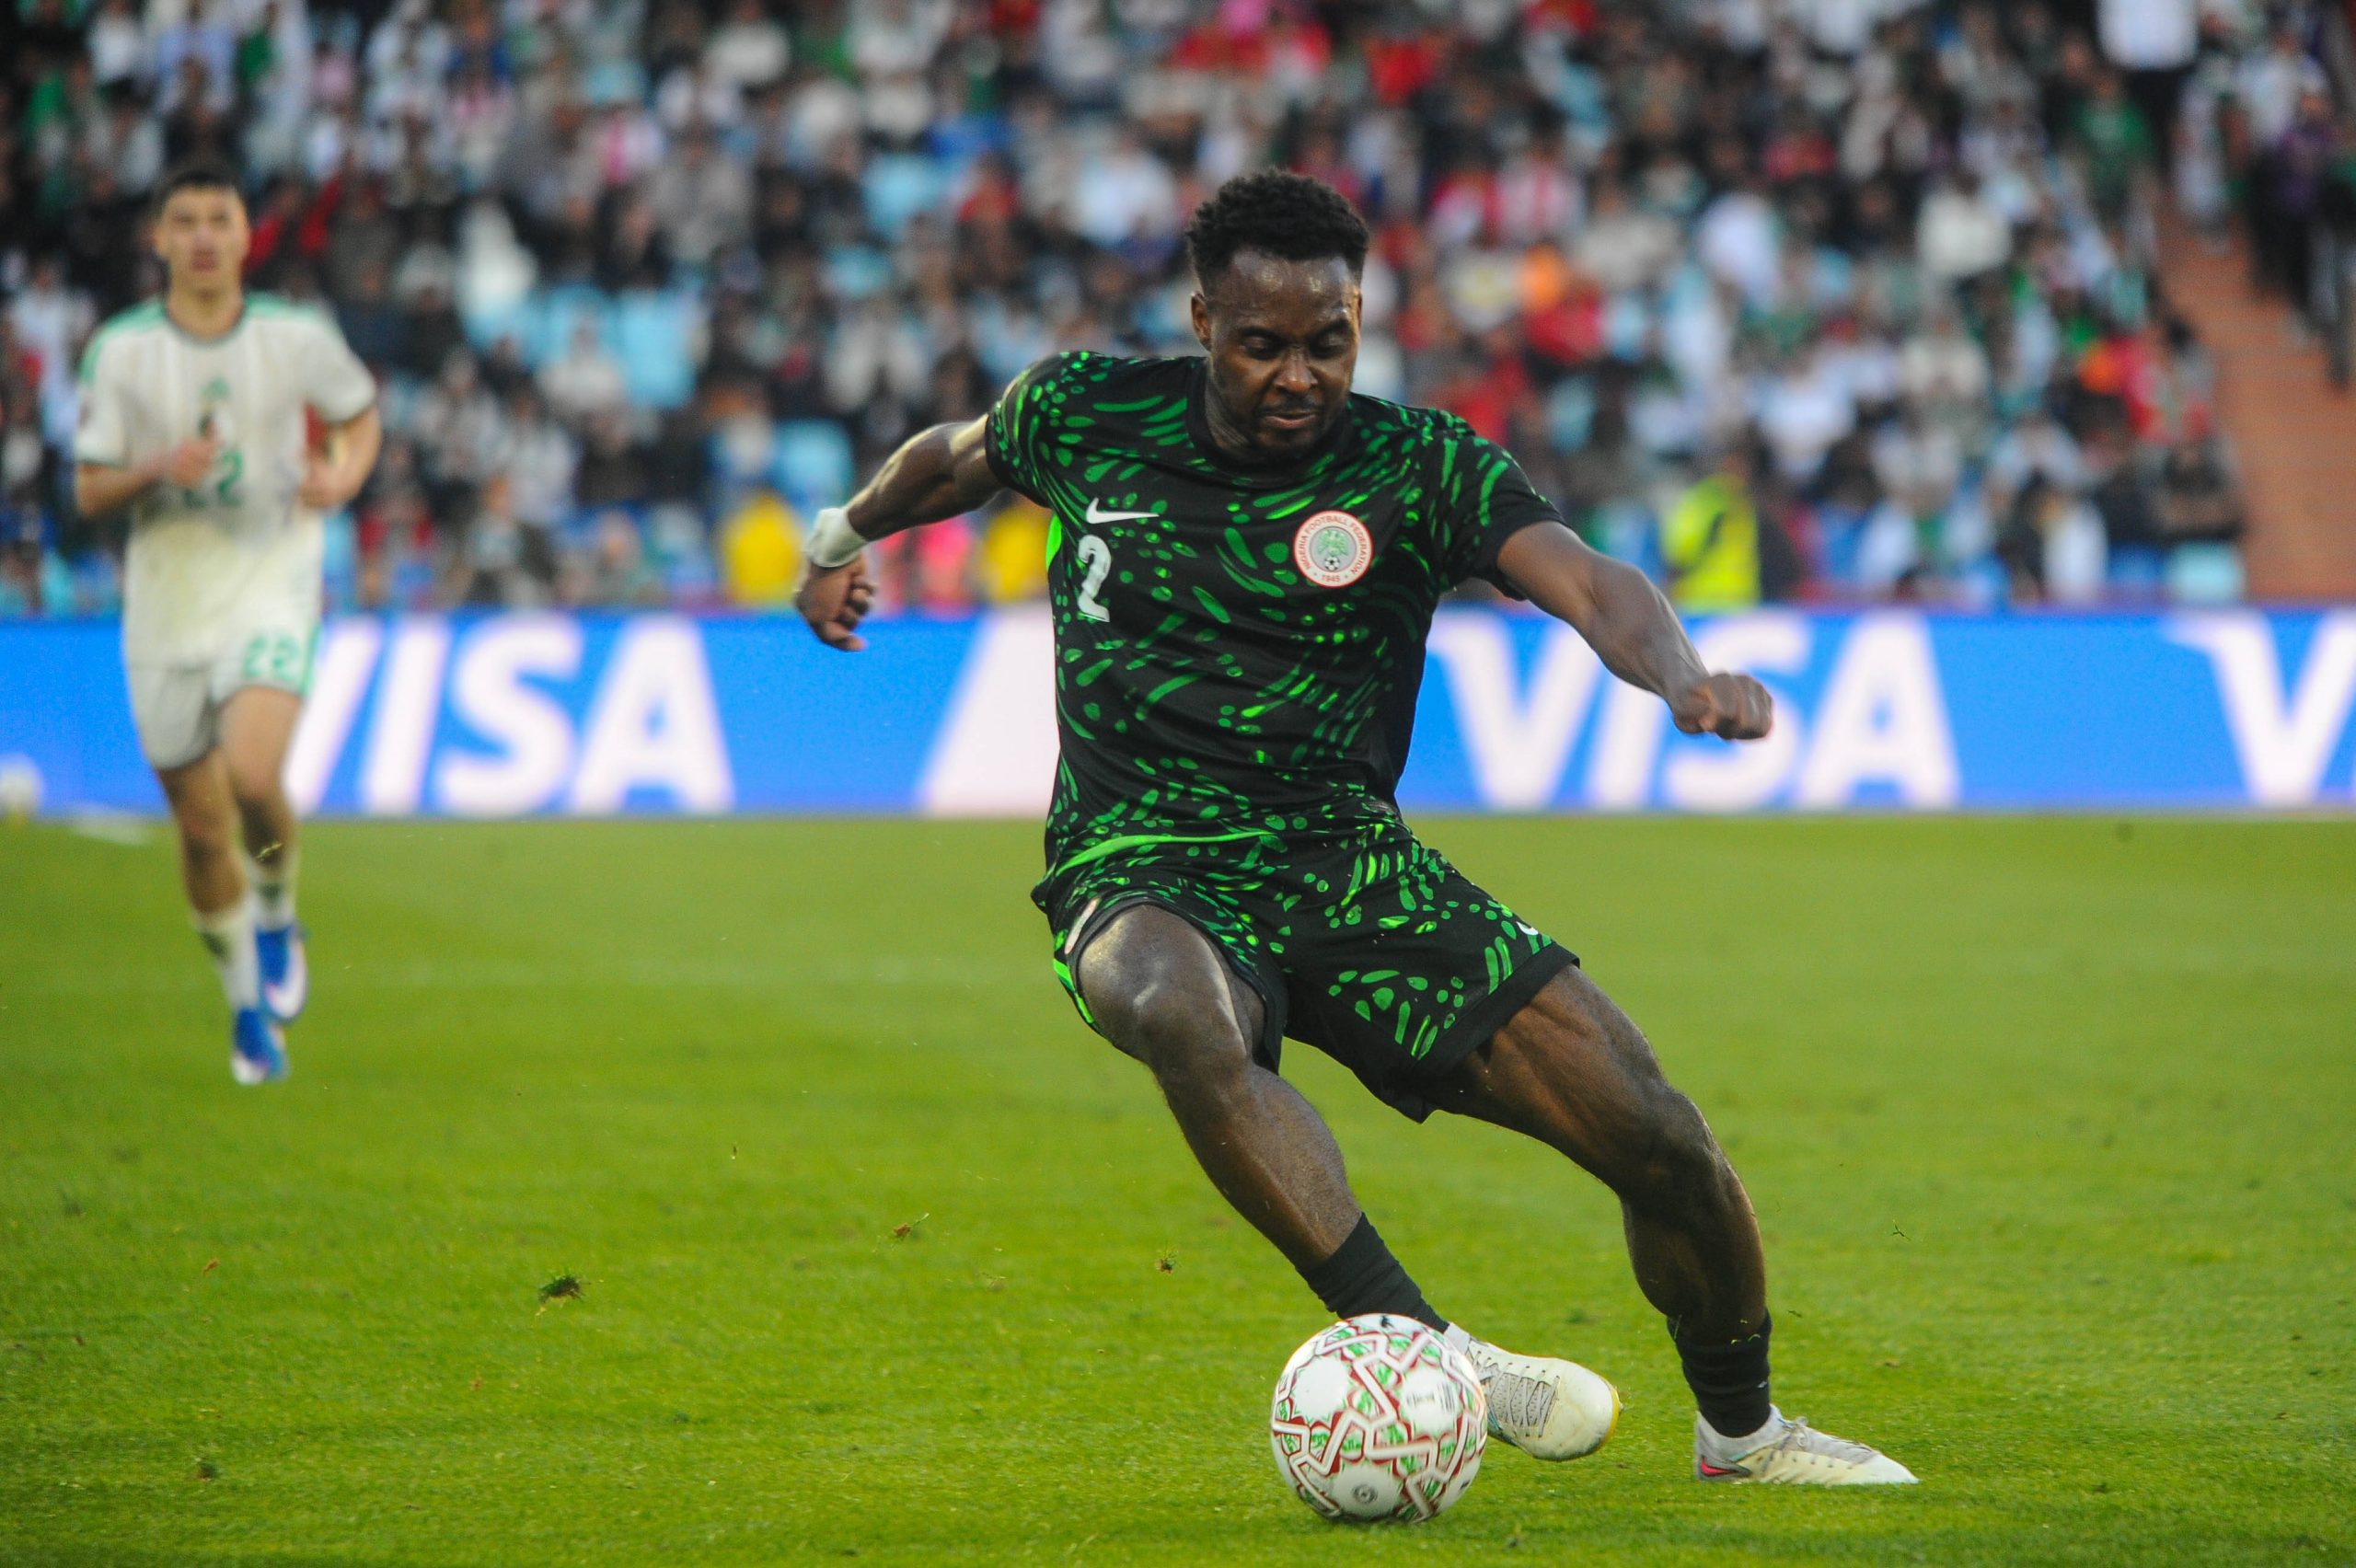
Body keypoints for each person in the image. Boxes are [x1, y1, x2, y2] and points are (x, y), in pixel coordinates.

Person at [794, 172, 1913, 1485]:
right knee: (1168, 1004)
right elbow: (956, 456)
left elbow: (1589, 581)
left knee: (1658, 1139)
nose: (1298, 375)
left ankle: (1745, 1435)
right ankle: (1437, 1351)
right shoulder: (1088, 413)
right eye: (1263, 342)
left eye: (1329, 341)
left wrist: (1681, 677)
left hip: (1348, 863)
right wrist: (842, 530)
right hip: (1139, 857)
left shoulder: (1415, 466)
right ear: (1204, 317)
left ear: (1361, 320)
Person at [72, 162, 382, 1084]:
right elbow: (88, 489)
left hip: (271, 581)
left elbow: (359, 416)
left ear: (248, 237)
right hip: (165, 605)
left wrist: (347, 476)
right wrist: (158, 466)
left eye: (220, 219)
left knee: (252, 777)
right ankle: (248, 1006)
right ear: (158, 240)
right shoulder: (121, 351)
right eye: (185, 221)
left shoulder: (295, 338)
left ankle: (281, 908)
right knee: (201, 832)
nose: (204, 235)